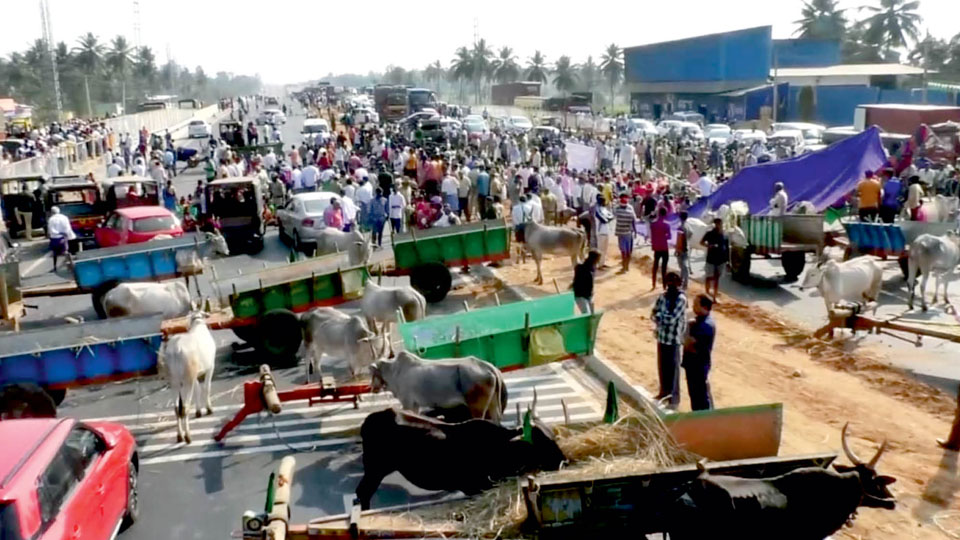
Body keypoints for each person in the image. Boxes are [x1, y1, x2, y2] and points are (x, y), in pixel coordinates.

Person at [652, 271, 687, 410]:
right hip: (662, 337)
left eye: (674, 281)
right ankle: (663, 392)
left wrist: (661, 316)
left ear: (679, 283)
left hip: (673, 339)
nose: (671, 284)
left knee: (673, 370)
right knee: (662, 367)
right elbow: (653, 313)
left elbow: (672, 318)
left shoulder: (681, 299)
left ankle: (674, 399)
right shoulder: (663, 296)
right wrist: (661, 316)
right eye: (669, 281)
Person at [683, 294, 716, 411]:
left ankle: (705, 422)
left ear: (705, 307)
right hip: (695, 365)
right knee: (697, 396)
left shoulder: (704, 326)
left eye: (696, 304)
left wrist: (686, 331)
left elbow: (688, 343)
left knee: (699, 398)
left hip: (697, 366)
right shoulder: (700, 321)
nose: (693, 307)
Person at [700, 218, 728, 302]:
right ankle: (709, 293)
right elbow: (701, 242)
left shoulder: (724, 234)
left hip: (721, 259)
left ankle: (714, 296)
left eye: (720, 224)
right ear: (715, 224)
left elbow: (726, 247)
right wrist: (709, 246)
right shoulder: (710, 234)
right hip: (711, 258)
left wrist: (727, 261)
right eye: (718, 224)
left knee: (717, 278)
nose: (719, 225)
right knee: (711, 277)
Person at [47, 206, 75, 271]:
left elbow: (51, 230)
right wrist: (69, 236)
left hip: (54, 238)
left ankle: (55, 267)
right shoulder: (64, 217)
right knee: (66, 252)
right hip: (63, 237)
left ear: (52, 212)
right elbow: (68, 228)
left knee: (55, 253)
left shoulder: (51, 219)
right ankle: (71, 265)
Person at [572, 249, 601, 314]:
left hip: (588, 295)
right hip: (580, 295)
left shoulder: (590, 267)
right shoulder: (583, 268)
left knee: (591, 314)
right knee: (587, 314)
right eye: (598, 259)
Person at [614, 192, 637, 273]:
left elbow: (634, 220)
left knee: (628, 251)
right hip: (621, 232)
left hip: (628, 232)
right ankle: (624, 266)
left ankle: (626, 266)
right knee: (623, 251)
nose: (625, 199)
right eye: (624, 198)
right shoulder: (616, 208)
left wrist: (635, 231)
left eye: (626, 197)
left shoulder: (630, 208)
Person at [650, 207, 671, 289]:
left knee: (655, 265)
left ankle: (653, 283)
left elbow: (652, 236)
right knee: (664, 267)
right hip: (664, 247)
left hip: (656, 247)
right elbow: (669, 236)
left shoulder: (653, 224)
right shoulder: (667, 225)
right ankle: (664, 285)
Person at [676, 211, 691, 289]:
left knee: (683, 266)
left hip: (681, 249)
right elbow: (691, 233)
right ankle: (684, 282)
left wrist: (677, 250)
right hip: (686, 248)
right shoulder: (688, 226)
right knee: (684, 267)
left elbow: (679, 239)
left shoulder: (680, 227)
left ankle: (684, 283)